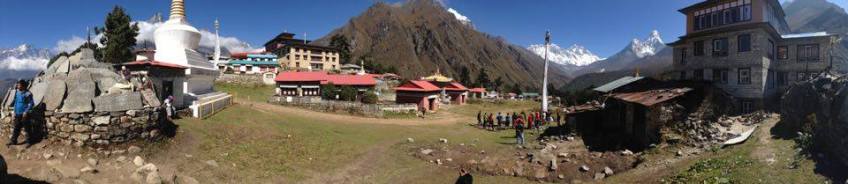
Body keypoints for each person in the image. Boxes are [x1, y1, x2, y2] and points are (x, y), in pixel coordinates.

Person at [8, 80, 35, 147]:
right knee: (16, 128)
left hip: (24, 114)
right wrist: (14, 111)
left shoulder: (28, 94)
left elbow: (31, 103)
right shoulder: (17, 93)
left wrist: (26, 111)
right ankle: (13, 141)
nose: (17, 86)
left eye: (19, 85)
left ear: (23, 86)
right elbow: (16, 102)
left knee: (27, 128)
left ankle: (29, 141)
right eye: (17, 85)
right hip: (17, 113)